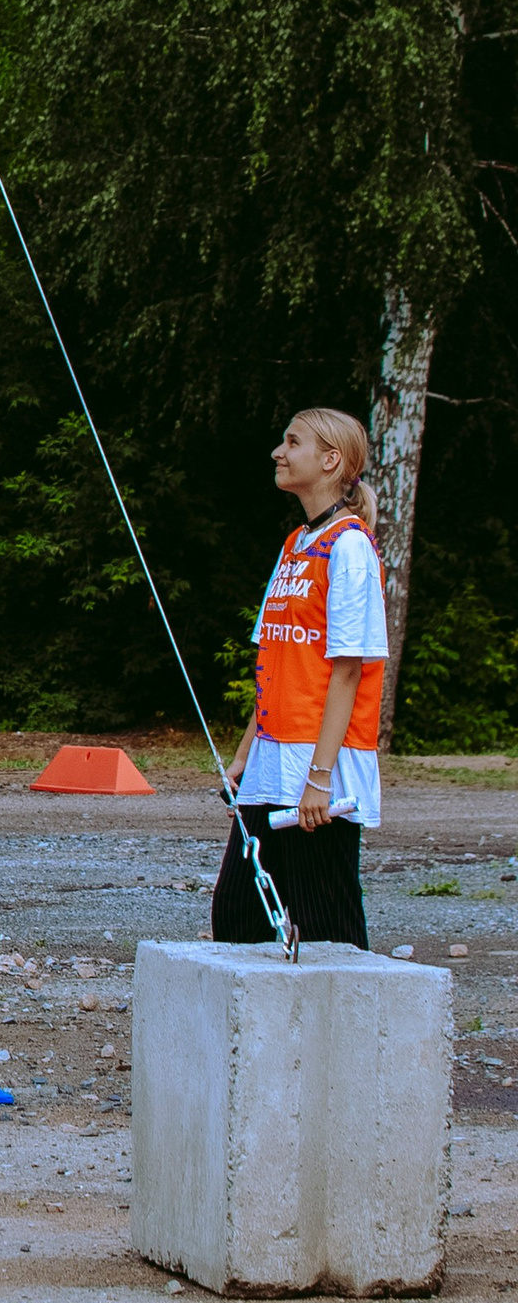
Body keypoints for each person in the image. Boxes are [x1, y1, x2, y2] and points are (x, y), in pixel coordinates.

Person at [211, 405, 388, 948]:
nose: (278, 452)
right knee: (239, 918)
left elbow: (348, 672)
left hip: (320, 770)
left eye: (292, 442)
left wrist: (320, 777)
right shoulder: (294, 546)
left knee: (327, 926)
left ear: (331, 460)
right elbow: (276, 666)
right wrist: (243, 756)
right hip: (272, 762)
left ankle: (352, 1033)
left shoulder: (350, 547)